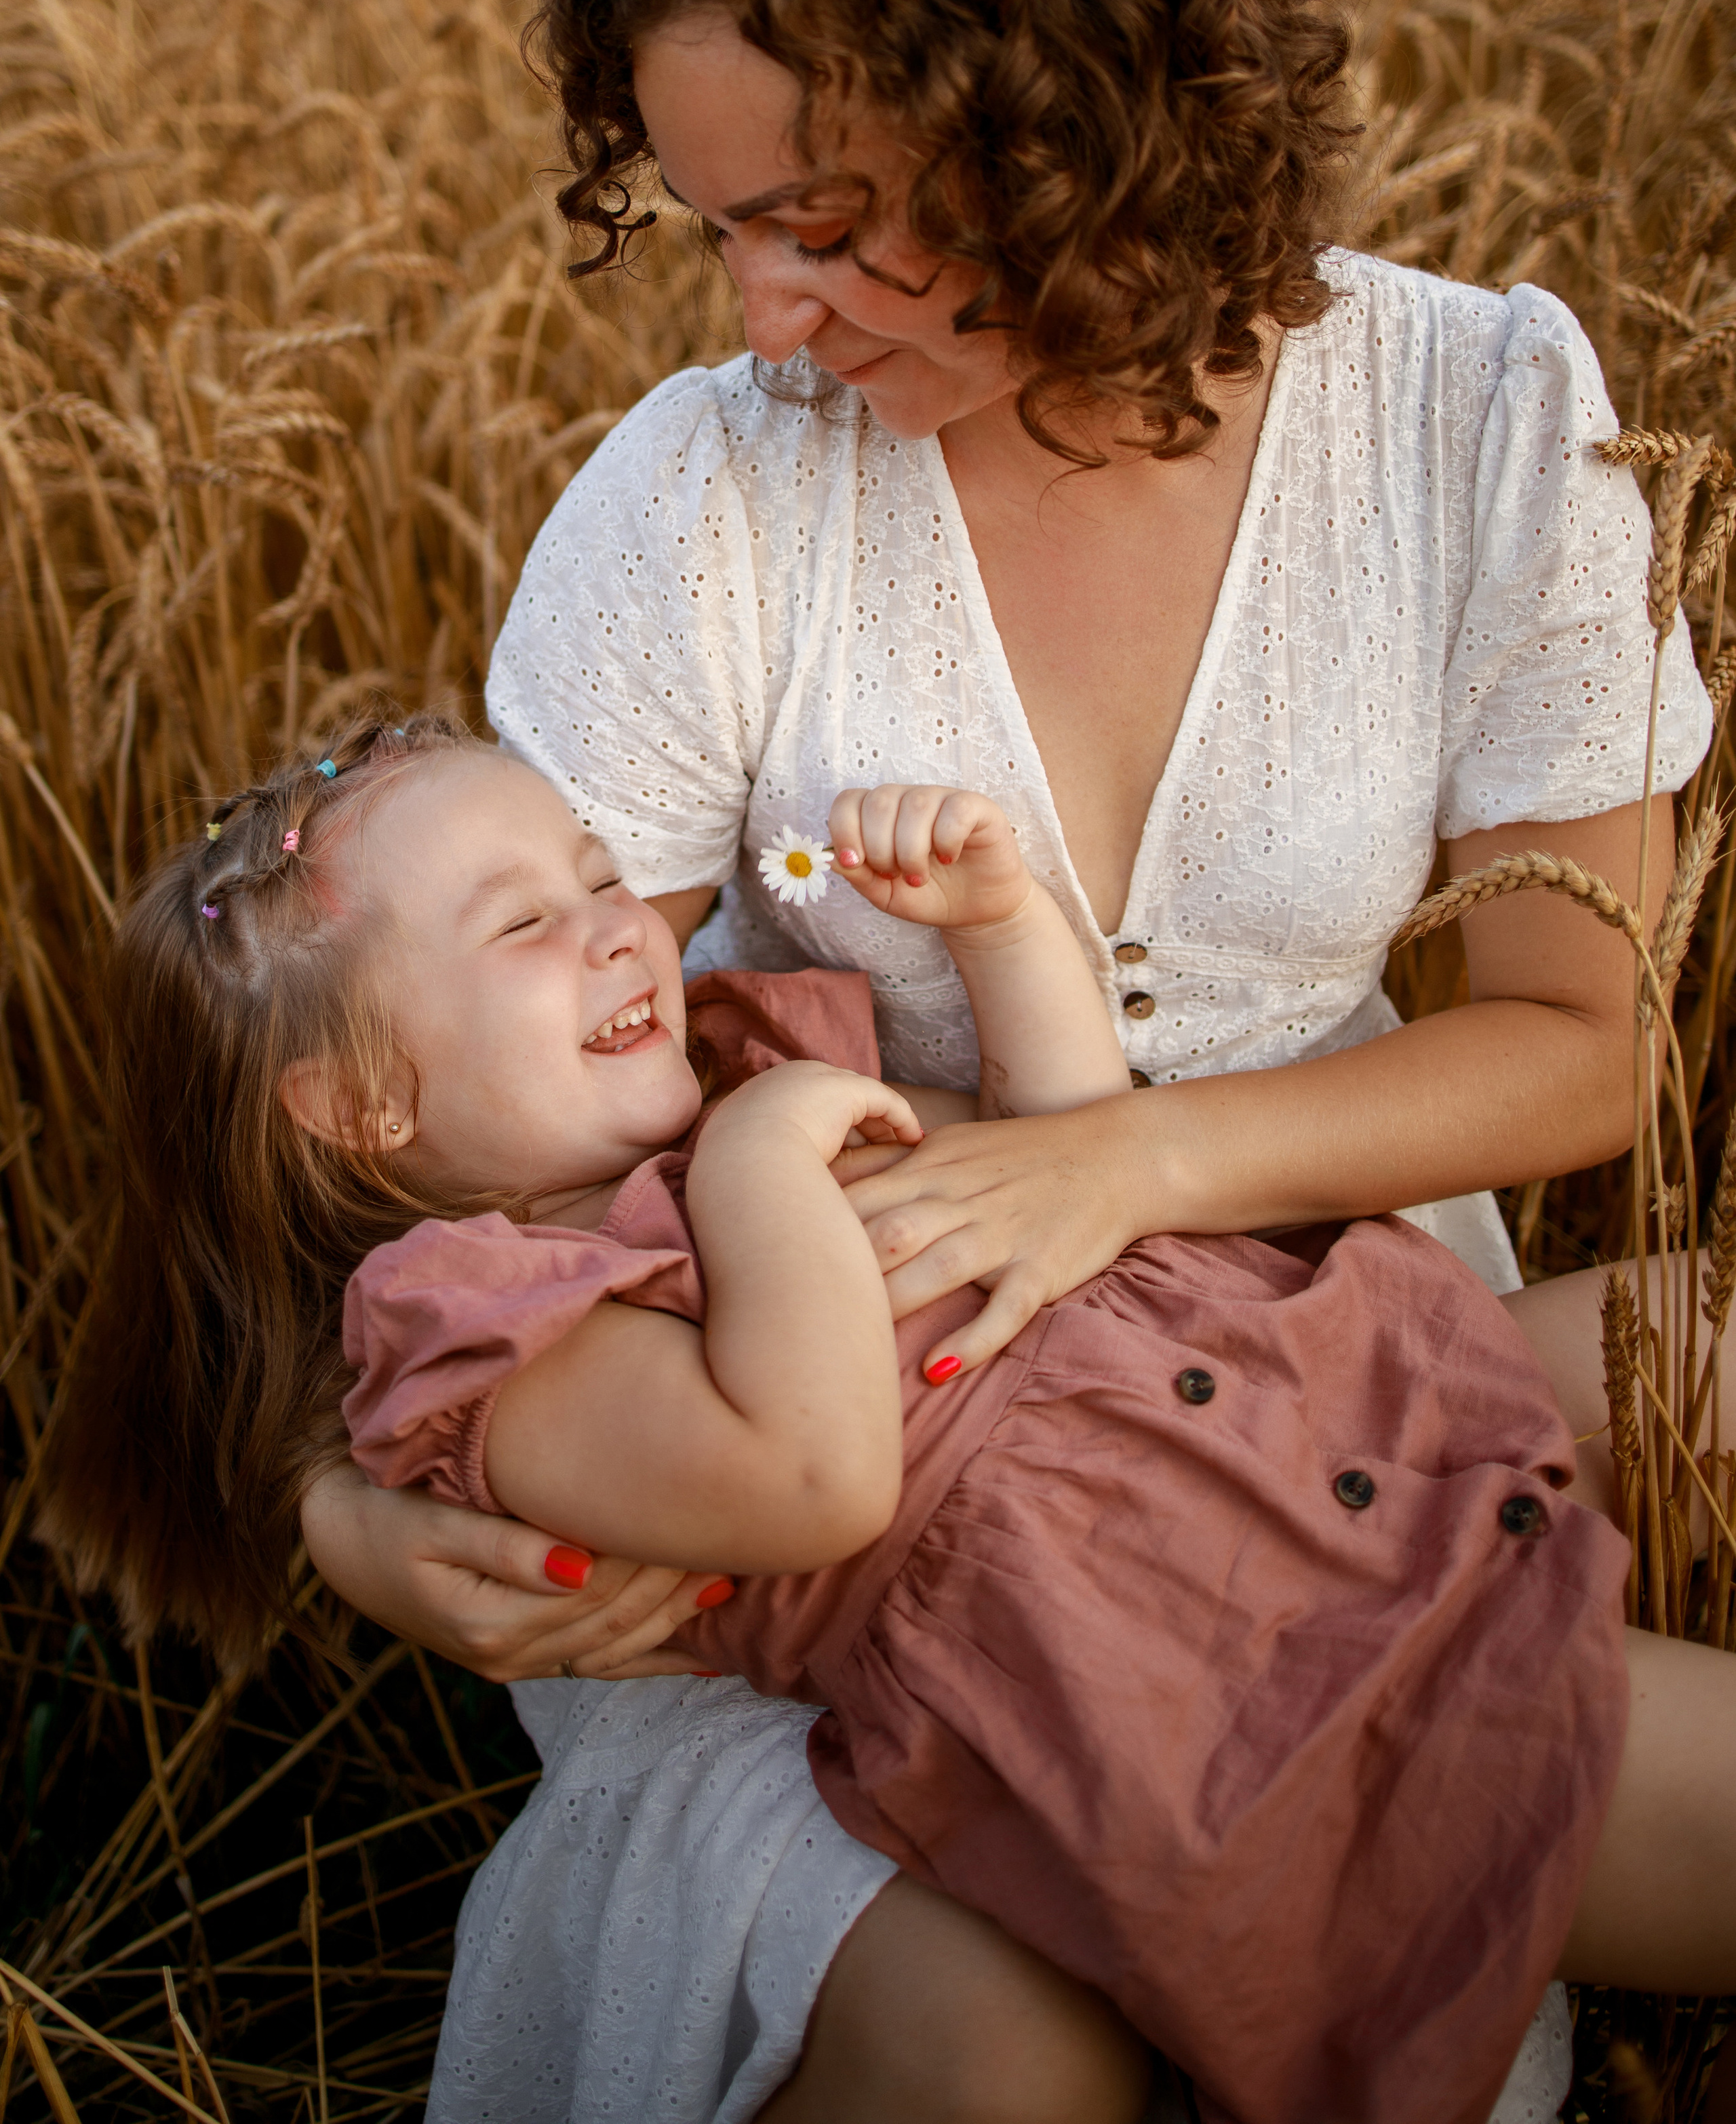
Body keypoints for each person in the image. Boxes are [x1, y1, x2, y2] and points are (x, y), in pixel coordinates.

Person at [291, 0, 1716, 2124]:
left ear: (1063, 124)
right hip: (866, 1456)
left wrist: (1127, 1163)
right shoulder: (706, 495)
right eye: (717, 229)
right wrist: (344, 1506)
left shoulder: (1483, 419)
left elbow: (1579, 1048)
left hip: (1336, 1343)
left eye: (824, 228)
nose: (762, 314)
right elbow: (455, 1082)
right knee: (1011, 2061)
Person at [46, 717, 1736, 2124]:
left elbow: (1068, 1154)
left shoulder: (732, 1070)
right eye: (521, 926)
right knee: (1621, 1771)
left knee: (1693, 1330)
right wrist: (761, 1160)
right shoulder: (484, 1335)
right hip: (1205, 1635)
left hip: (1317, 1386)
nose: (620, 923)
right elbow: (815, 1475)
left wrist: (1002, 933)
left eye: (591, 874)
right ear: (365, 1106)